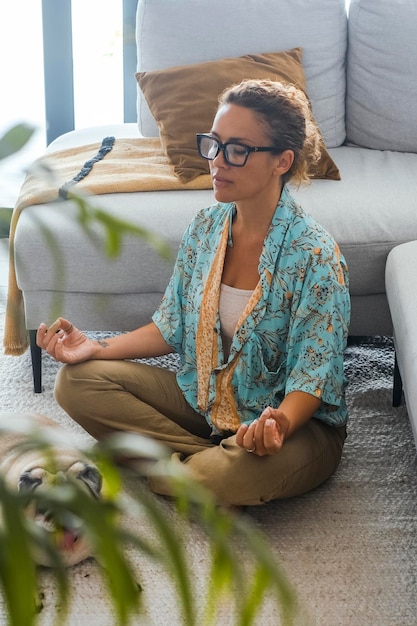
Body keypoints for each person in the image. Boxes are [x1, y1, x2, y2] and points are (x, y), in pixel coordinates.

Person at [37, 79, 350, 507]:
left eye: (237, 150)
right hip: (209, 401)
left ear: (282, 161)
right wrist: (97, 347)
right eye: (214, 144)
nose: (217, 162)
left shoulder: (315, 255)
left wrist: (276, 427)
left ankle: (198, 466)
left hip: (292, 427)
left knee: (232, 475)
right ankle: (204, 463)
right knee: (75, 383)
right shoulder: (206, 227)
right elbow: (171, 327)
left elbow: (310, 381)